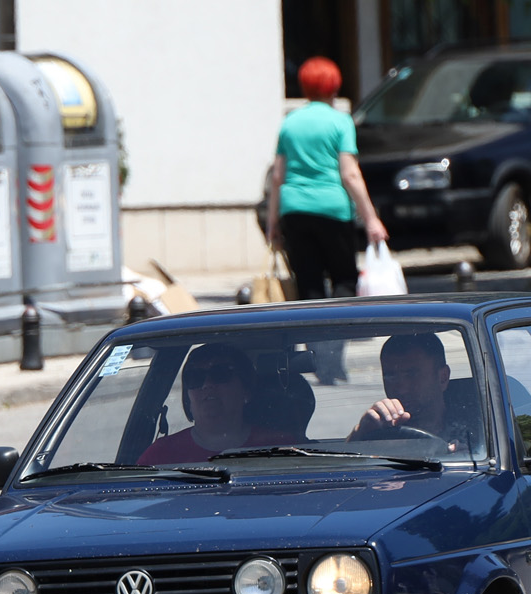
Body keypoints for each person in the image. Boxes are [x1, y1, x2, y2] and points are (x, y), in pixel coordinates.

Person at [267, 57, 388, 307]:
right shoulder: (341, 122)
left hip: (295, 209)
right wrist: (371, 219)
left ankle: (314, 331)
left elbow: (277, 176)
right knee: (344, 279)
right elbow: (350, 175)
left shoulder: (289, 123)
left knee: (308, 284)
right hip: (333, 209)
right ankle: (339, 331)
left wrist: (272, 223)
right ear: (334, 86)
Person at [138, 345, 292, 464]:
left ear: (246, 390)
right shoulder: (161, 455)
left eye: (220, 374)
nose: (207, 385)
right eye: (196, 378)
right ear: (187, 397)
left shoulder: (281, 448)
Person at [350, 333, 477, 451]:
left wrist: (467, 456)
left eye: (412, 375)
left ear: (442, 378)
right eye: (390, 377)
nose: (401, 389)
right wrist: (360, 435)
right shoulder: (382, 430)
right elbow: (345, 461)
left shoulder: (477, 427)